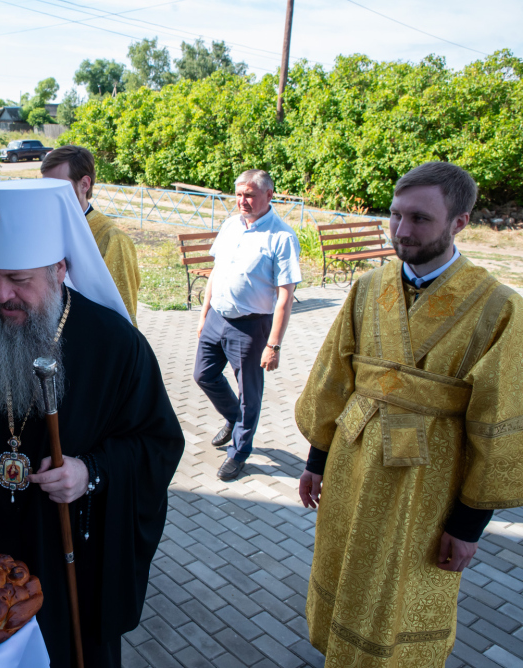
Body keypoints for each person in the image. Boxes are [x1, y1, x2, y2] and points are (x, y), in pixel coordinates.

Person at [0, 179, 184, 667]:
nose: (1, 295)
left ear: (60, 268)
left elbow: (158, 443)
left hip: (69, 568)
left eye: (19, 280)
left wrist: (92, 472)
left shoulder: (115, 346)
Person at [295, 162, 523, 667]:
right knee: (344, 569)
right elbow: (335, 380)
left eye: (419, 219)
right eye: (395, 216)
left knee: (399, 591)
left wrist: (468, 526)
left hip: (425, 488)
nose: (401, 231)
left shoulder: (499, 309)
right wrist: (316, 459)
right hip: (352, 468)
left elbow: (498, 424)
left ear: (459, 222)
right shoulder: (367, 287)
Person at [193, 169, 301, 480]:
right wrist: (203, 317)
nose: (243, 200)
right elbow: (215, 272)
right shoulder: (230, 226)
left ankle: (239, 453)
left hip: (251, 327)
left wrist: (274, 344)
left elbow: (285, 296)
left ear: (269, 195)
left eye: (250, 195)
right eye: (239, 194)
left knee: (249, 394)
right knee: (203, 375)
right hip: (217, 317)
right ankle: (232, 417)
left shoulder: (281, 237)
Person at [40, 144, 141, 326]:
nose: (48, 195)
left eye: (57, 187)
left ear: (84, 184)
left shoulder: (113, 240)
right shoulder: (43, 231)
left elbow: (123, 316)